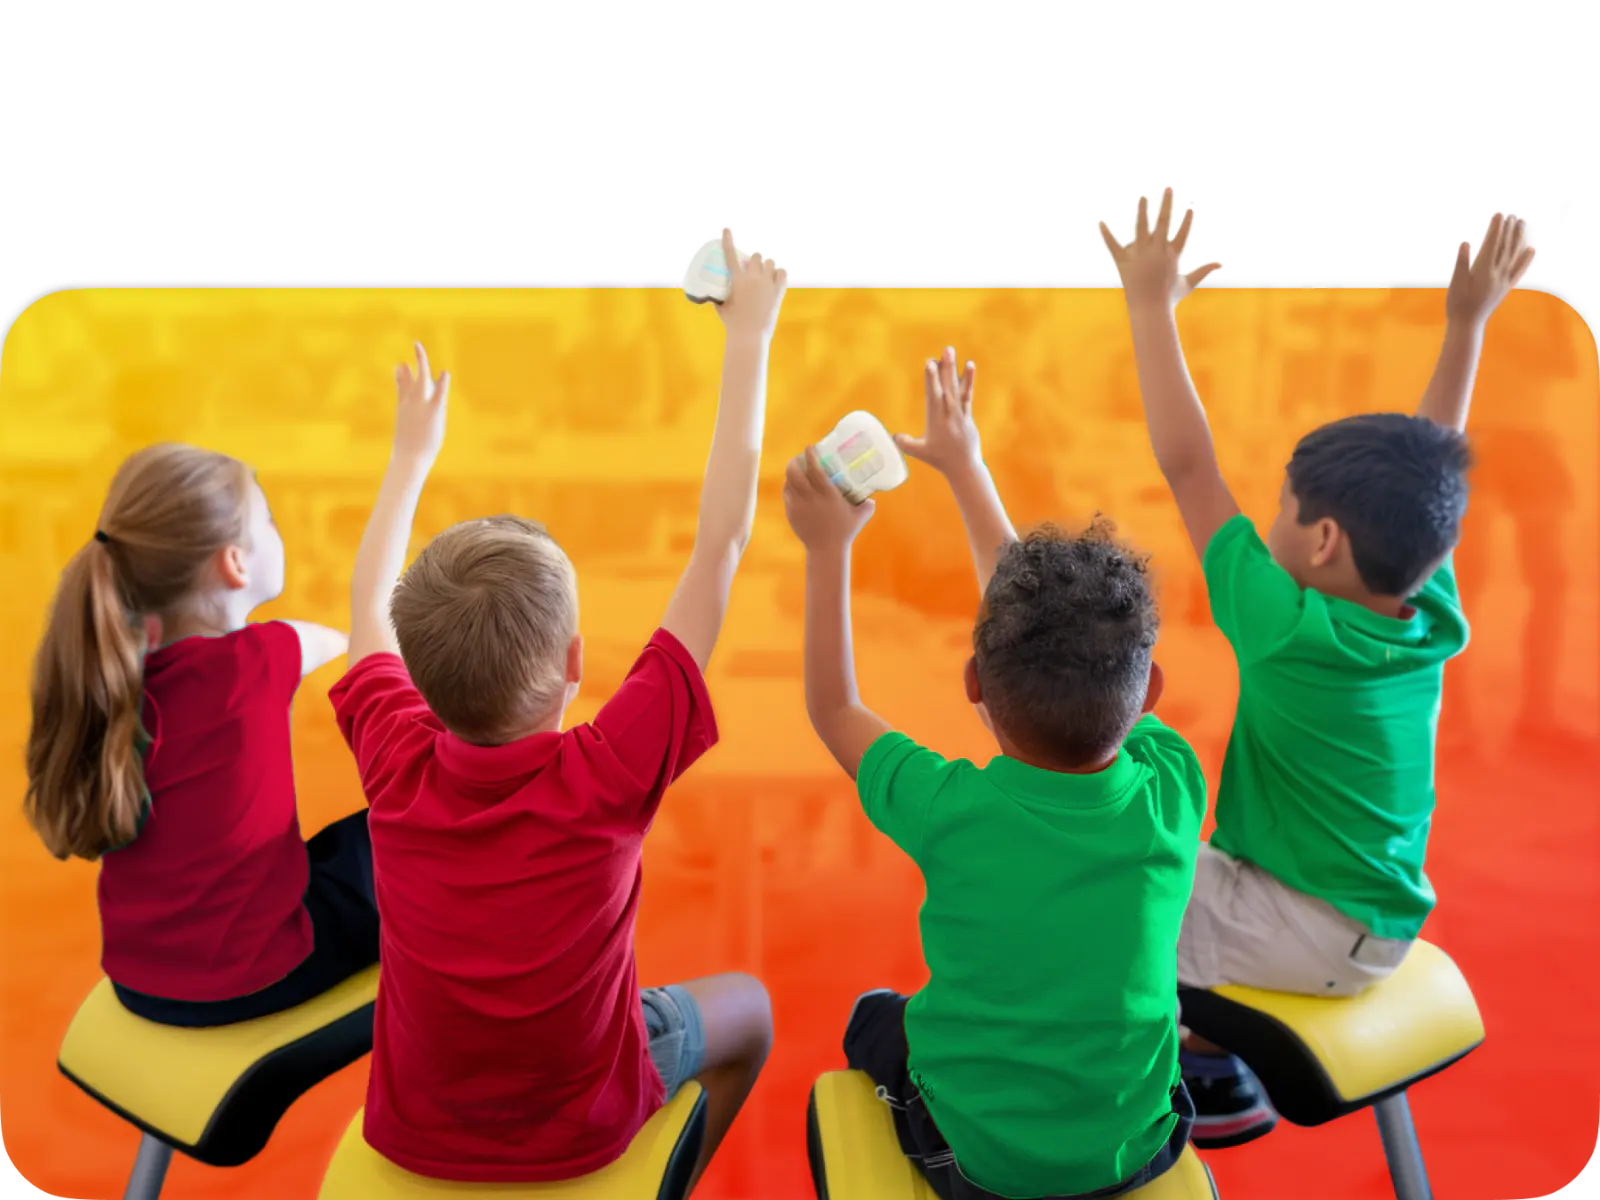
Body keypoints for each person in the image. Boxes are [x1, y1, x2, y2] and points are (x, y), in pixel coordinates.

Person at [325, 225, 783, 1189]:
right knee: (748, 1008)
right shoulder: (609, 771)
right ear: (578, 662)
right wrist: (749, 338)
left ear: (417, 679)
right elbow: (721, 548)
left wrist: (411, 455)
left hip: (414, 1127)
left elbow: (366, 604)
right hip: (583, 1127)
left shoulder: (393, 760)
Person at [1099, 188, 1539, 1146]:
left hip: (1293, 928)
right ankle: (1218, 1055)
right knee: (1188, 856)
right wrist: (1468, 322)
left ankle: (1195, 1082)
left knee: (1096, 878)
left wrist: (1147, 305)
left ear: (1326, 540)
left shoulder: (1285, 622)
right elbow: (1433, 470)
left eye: (1285, 508)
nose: (1271, 517)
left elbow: (1187, 465)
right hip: (1377, 921)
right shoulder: (1424, 604)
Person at [784, 347, 1205, 1199]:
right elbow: (1045, 628)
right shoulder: (1173, 786)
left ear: (972, 684)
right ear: (1150, 692)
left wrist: (828, 550)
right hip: (1133, 1154)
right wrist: (969, 466)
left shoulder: (950, 808)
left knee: (877, 1017)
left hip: (976, 1164)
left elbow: (833, 708)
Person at [23, 443, 371, 1026]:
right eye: (269, 519)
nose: (278, 528)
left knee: (339, 849)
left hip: (137, 979)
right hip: (246, 981)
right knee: (407, 839)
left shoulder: (116, 677)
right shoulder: (256, 659)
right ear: (234, 562)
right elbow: (349, 640)